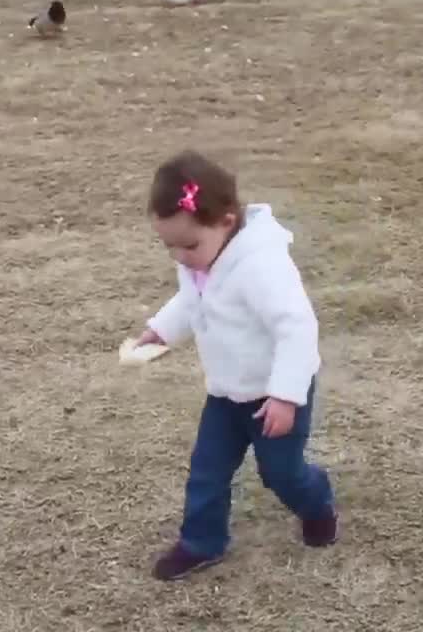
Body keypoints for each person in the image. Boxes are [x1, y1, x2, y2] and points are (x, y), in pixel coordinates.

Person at [137, 150, 338, 581]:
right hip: (226, 393)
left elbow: (297, 328)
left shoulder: (260, 265)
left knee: (281, 473)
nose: (179, 256)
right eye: (168, 245)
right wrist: (161, 330)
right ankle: (201, 541)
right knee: (207, 471)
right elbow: (192, 300)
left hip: (274, 394)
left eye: (188, 245)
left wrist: (285, 395)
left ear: (226, 222)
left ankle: (316, 500)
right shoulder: (201, 261)